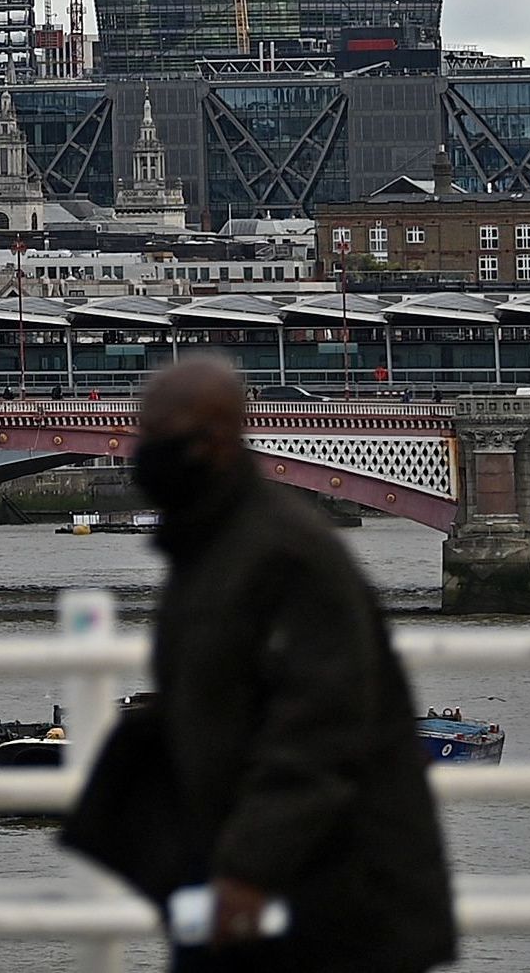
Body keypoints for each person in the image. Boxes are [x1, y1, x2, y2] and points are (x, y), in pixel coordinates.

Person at [121, 353, 455, 969]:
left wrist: (247, 873)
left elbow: (320, 733)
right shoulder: (213, 543)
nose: (142, 451)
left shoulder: (281, 554)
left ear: (216, 441)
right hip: (270, 871)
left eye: (159, 435)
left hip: (328, 893)